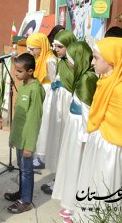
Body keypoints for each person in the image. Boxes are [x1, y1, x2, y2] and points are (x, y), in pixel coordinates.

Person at [75, 37, 122, 211]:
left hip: (113, 147)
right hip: (100, 141)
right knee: (94, 183)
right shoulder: (105, 81)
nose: (92, 62)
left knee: (107, 186)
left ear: (112, 60)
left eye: (96, 58)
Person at [51, 42, 97, 222]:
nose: (69, 63)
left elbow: (86, 109)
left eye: (71, 59)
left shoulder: (86, 79)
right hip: (74, 125)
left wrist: (85, 137)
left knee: (76, 164)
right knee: (71, 163)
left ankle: (74, 205)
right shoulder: (82, 75)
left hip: (80, 129)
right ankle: (70, 202)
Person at [4, 53, 45, 214]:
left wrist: (29, 145)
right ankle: (21, 194)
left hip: (27, 139)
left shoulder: (35, 90)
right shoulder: (23, 86)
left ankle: (26, 201)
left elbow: (34, 120)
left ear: (30, 71)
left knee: (27, 171)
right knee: (21, 168)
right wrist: (12, 137)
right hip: (19, 137)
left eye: (19, 71)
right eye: (15, 70)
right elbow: (19, 116)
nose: (16, 74)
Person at [41, 30, 76, 195]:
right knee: (57, 141)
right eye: (54, 45)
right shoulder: (60, 62)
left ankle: (65, 180)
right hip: (58, 106)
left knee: (65, 142)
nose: (56, 49)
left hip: (68, 107)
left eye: (60, 46)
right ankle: (58, 176)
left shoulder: (76, 64)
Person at [26, 32, 57, 169]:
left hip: (48, 95)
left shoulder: (50, 60)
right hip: (40, 92)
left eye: (32, 49)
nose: (30, 52)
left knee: (45, 125)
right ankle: (39, 155)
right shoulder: (39, 58)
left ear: (41, 46)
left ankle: (43, 157)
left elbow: (54, 80)